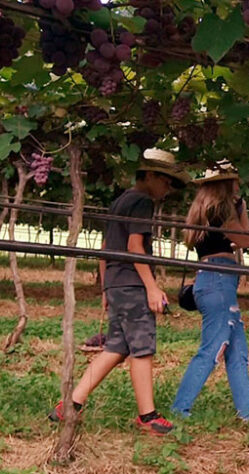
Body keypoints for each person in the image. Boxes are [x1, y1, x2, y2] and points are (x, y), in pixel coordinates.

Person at [49, 149, 190, 435]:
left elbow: (106, 248)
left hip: (116, 282)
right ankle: (147, 416)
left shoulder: (120, 200)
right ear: (150, 175)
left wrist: (105, 286)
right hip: (132, 283)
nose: (168, 189)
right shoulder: (141, 202)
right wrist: (151, 287)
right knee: (142, 347)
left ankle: (71, 404)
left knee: (117, 346)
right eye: (166, 182)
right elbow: (135, 248)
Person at [171, 162, 249, 422]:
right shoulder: (222, 210)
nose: (239, 184)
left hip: (213, 280)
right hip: (219, 281)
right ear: (226, 183)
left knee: (237, 352)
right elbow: (245, 239)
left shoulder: (203, 210)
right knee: (212, 348)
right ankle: (179, 409)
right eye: (235, 179)